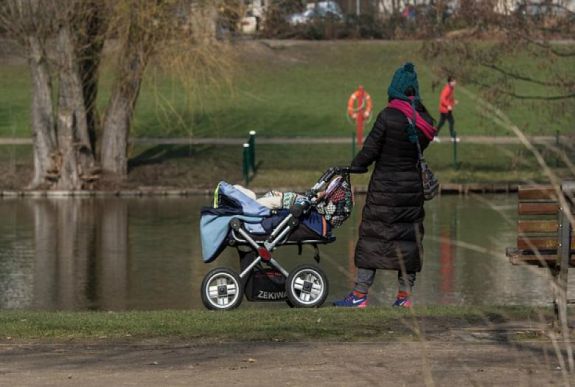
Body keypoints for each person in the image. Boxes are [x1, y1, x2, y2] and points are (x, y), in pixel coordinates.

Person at [333, 62, 436, 308]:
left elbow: (370, 150)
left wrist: (353, 166)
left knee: (373, 238)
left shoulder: (388, 116)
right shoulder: (424, 120)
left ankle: (359, 295)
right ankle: (404, 298)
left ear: (394, 89)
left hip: (384, 191)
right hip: (412, 192)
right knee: (409, 242)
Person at [436, 76, 458, 142]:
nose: (455, 82)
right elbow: (442, 99)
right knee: (451, 121)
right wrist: (448, 105)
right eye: (453, 81)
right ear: (450, 82)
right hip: (444, 109)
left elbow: (450, 97)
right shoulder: (447, 89)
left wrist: (453, 101)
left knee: (442, 122)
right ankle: (452, 137)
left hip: (447, 109)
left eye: (455, 81)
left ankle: (434, 135)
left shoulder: (451, 88)